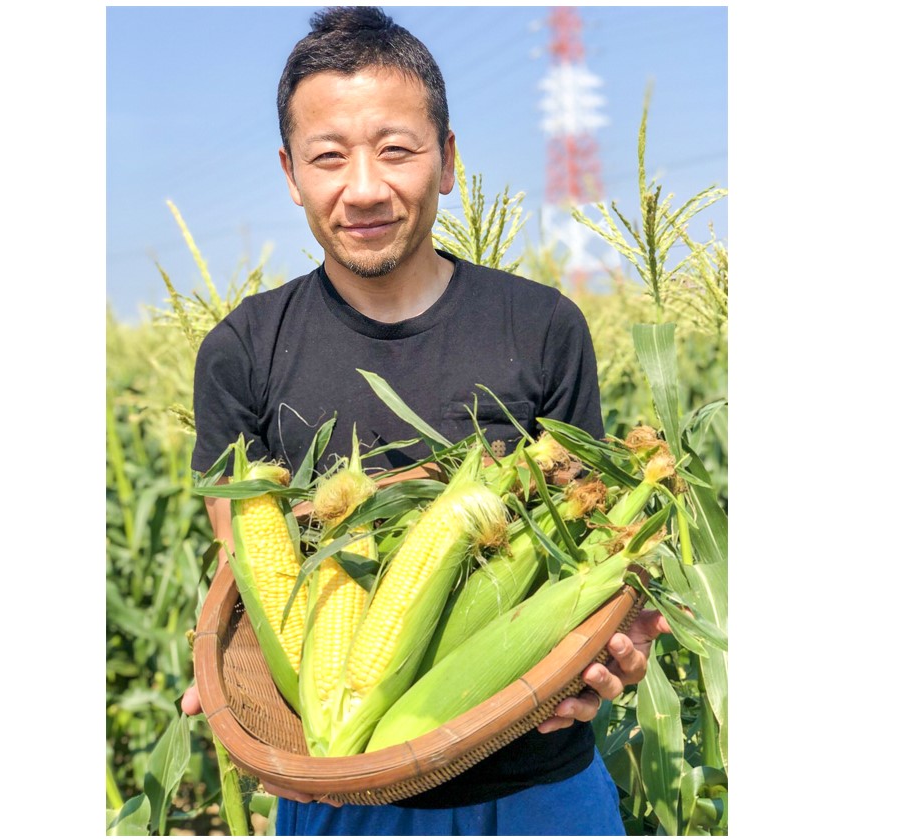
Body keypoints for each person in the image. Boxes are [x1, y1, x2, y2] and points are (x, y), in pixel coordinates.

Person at [182, 6, 671, 834]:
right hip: (339, 792)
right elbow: (248, 572)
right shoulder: (242, 351)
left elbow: (586, 545)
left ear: (447, 161)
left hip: (539, 782)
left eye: (397, 149)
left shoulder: (543, 327)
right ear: (291, 173)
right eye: (328, 156)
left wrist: (613, 643)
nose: (364, 187)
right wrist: (232, 675)